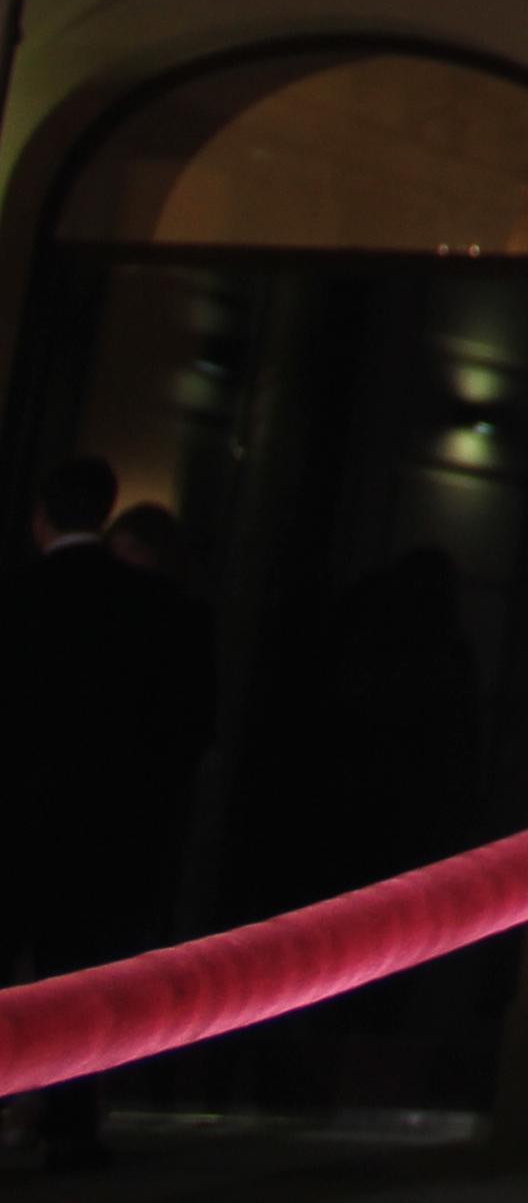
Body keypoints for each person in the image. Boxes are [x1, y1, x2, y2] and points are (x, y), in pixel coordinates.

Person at [0, 458, 211, 1169]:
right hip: (110, 828)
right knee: (84, 980)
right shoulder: (160, 610)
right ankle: (70, 1123)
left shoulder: (19, 597)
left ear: (40, 515)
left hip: (14, 816)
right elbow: (188, 728)